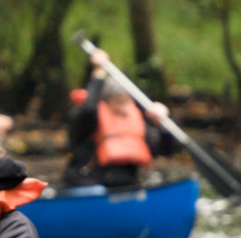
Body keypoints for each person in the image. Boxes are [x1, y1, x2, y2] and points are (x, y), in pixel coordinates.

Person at [62, 48, 173, 189]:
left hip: (126, 185)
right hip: (87, 184)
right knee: (96, 191)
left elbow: (165, 150)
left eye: (127, 101)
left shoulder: (134, 120)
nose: (125, 107)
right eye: (119, 102)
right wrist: (98, 74)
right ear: (105, 101)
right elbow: (89, 109)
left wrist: (163, 126)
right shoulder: (84, 117)